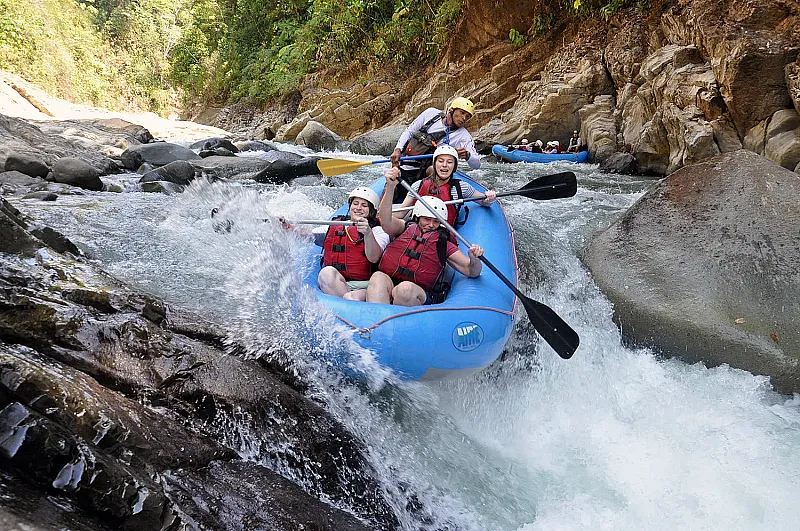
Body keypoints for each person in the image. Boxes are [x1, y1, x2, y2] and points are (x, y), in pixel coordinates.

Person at [366, 173, 485, 306]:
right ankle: (376, 322)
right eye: (426, 219)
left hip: (417, 294)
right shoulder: (404, 228)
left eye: (436, 221)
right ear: (417, 217)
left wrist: (474, 259)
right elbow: (385, 219)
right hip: (390, 281)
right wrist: (390, 187)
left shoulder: (443, 243)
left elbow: (471, 270)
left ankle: (398, 324)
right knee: (378, 277)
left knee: (405, 289)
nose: (431, 224)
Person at [388, 96, 481, 202]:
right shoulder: (431, 113)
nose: (464, 118)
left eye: (467, 116)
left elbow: (477, 164)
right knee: (390, 187)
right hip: (407, 164)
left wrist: (468, 155)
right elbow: (409, 131)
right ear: (451, 109)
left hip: (428, 170)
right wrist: (398, 149)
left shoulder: (464, 136)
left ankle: (431, 201)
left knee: (434, 170)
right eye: (462, 113)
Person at [391, 144, 496, 229]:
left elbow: (483, 201)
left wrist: (489, 199)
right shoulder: (418, 185)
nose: (445, 165)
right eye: (440, 161)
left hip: (441, 236)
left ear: (454, 166)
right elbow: (401, 212)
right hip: (415, 232)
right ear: (434, 164)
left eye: (449, 162)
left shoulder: (461, 187)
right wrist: (379, 217)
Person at [315, 187, 390, 301]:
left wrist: (368, 233)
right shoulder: (335, 224)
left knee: (351, 297)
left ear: (372, 211)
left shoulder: (378, 231)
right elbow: (308, 234)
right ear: (350, 206)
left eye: (364, 205)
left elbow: (374, 257)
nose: (358, 208)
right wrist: (289, 226)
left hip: (366, 285)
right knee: (326, 273)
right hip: (340, 282)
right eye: (355, 204)